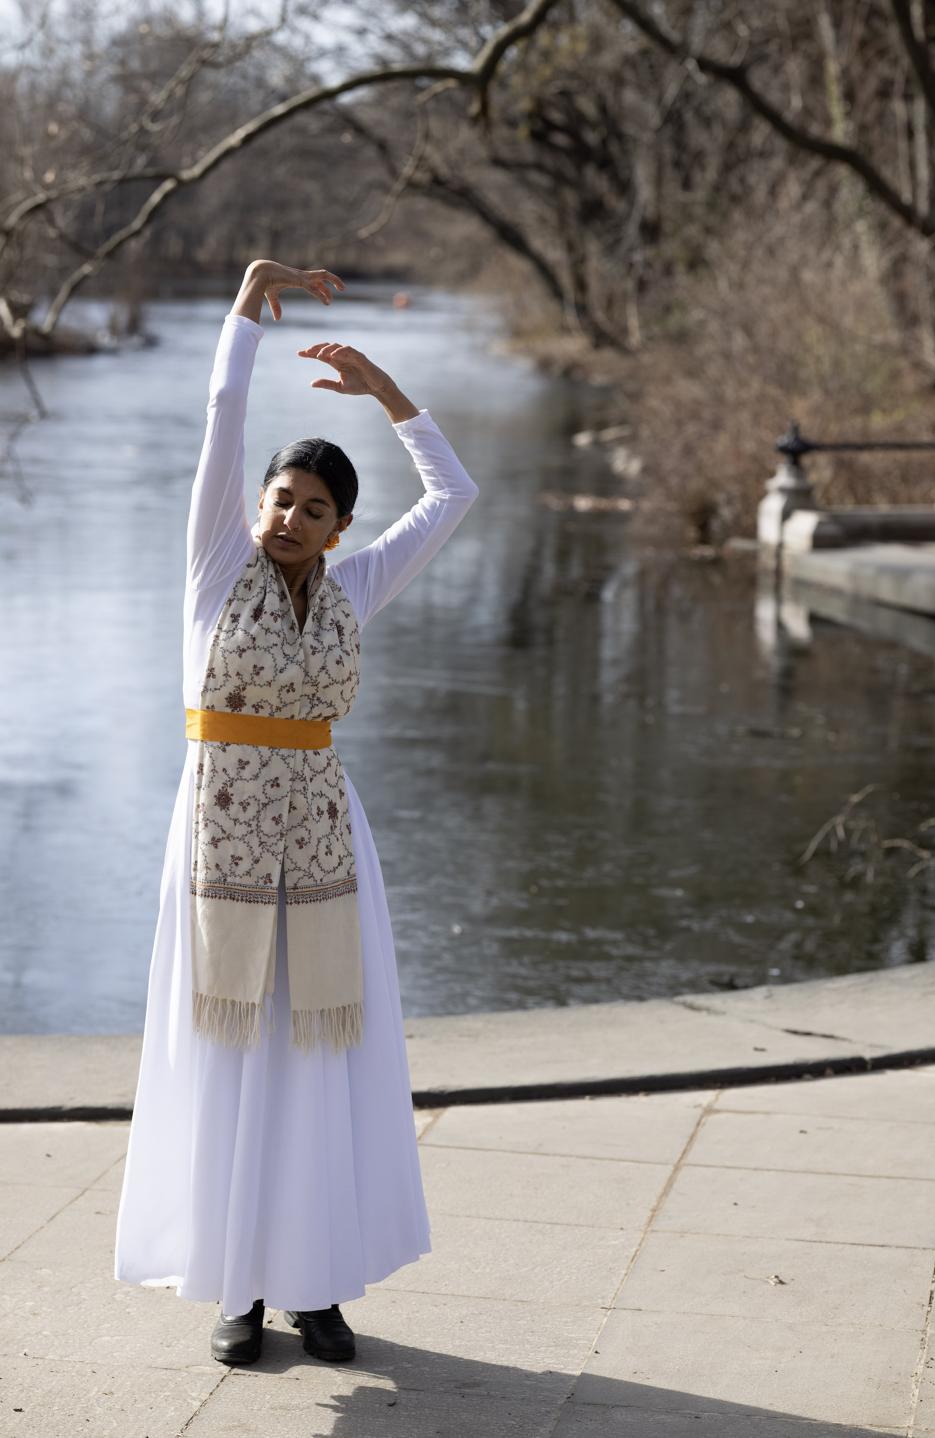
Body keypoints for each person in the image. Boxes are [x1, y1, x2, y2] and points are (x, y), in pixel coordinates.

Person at [113, 260, 480, 1366]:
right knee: (232, 1058)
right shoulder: (212, 565)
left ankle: (313, 1288)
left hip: (325, 849)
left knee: (318, 1066)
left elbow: (454, 497)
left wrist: (386, 392)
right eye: (279, 498)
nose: (288, 516)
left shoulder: (360, 587)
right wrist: (241, 314)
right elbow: (224, 417)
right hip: (218, 843)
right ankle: (238, 1289)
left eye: (313, 509)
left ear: (339, 527)